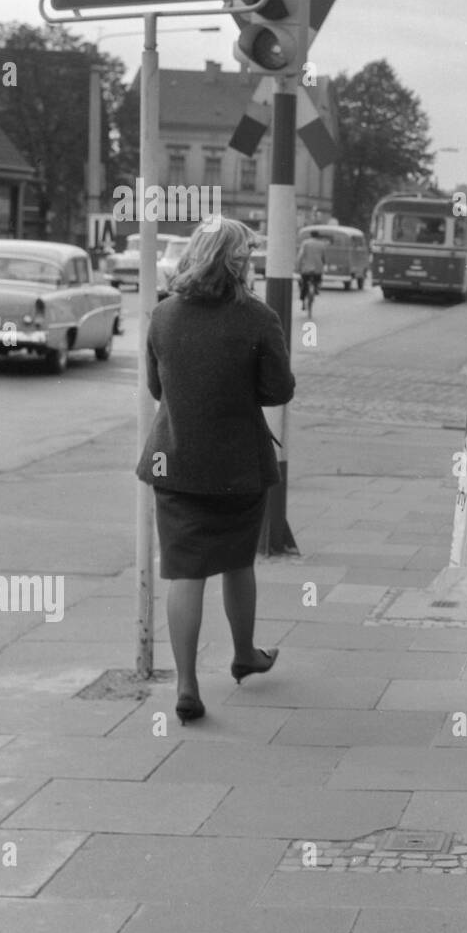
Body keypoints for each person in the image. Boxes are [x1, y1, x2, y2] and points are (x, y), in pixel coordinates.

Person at [136, 217, 295, 725]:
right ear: (237, 262)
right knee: (237, 561)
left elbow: (157, 389)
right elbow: (278, 391)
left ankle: (185, 684)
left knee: (185, 571)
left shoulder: (162, 315)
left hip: (174, 460)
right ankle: (244, 653)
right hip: (238, 465)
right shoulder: (258, 318)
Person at [296, 232, 325, 315]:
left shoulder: (305, 243)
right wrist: (322, 265)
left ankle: (302, 298)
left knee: (303, 283)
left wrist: (298, 266)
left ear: (310, 235)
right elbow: (323, 258)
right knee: (317, 281)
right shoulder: (321, 244)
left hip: (306, 269)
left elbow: (300, 255)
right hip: (317, 269)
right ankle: (316, 289)